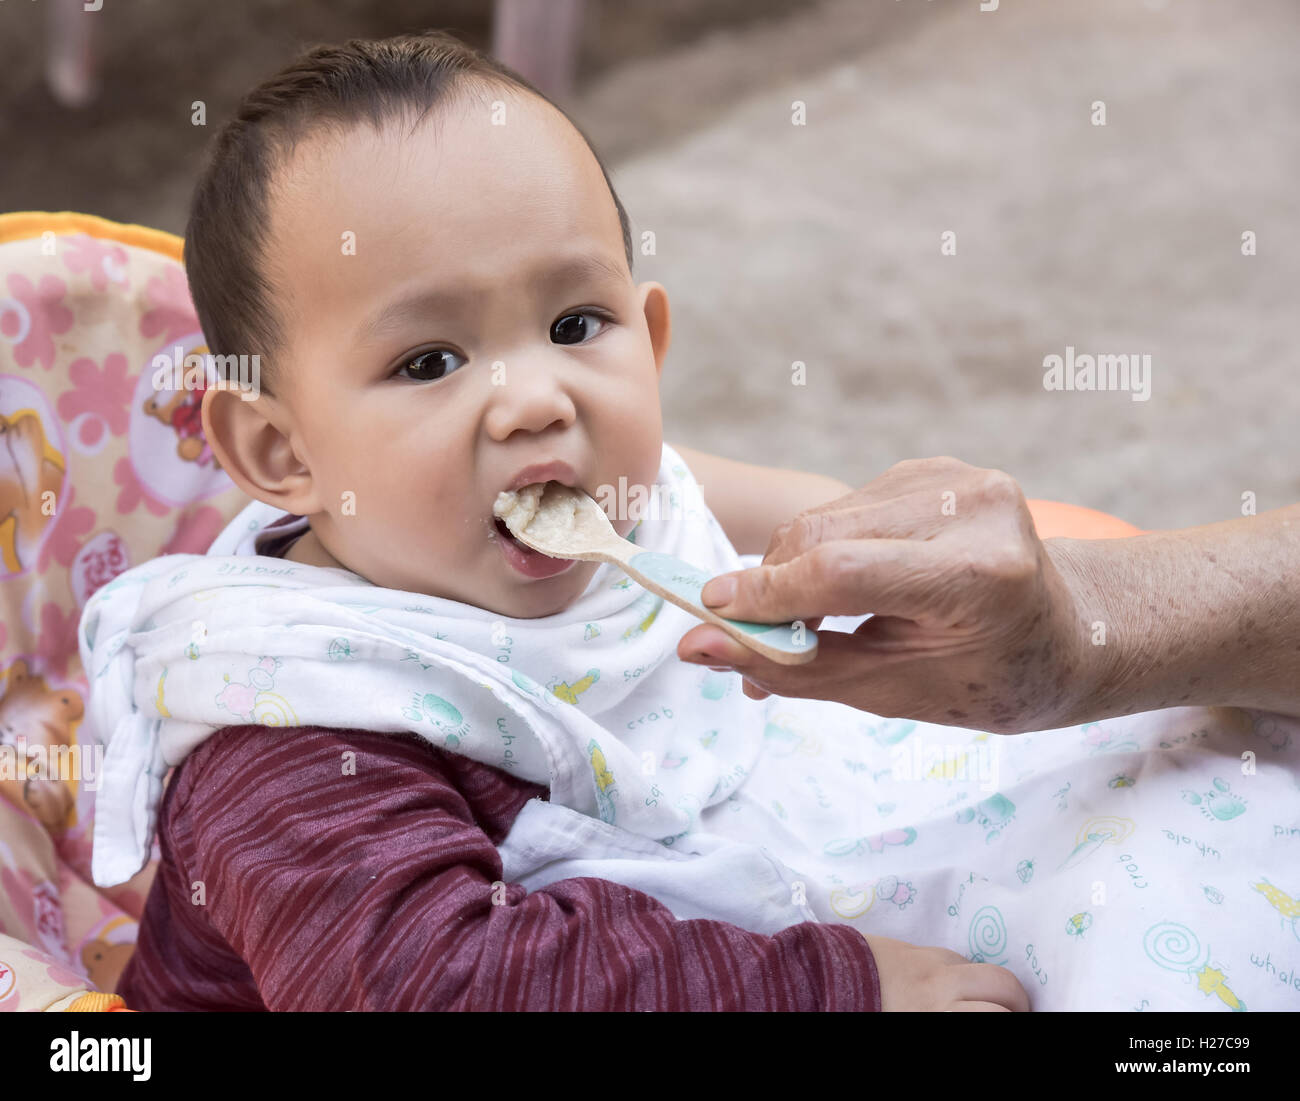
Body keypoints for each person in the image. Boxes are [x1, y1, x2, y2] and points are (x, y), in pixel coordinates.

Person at [87, 30, 1029, 1013]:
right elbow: (446, 987)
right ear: (284, 454)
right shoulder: (294, 727)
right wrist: (837, 985)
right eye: (429, 362)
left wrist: (929, 563)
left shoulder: (631, 509)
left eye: (575, 325)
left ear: (649, 338)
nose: (536, 398)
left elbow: (798, 521)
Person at [681, 458, 1300, 729]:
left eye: (580, 327)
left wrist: (1088, 619)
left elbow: (808, 512)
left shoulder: (659, 485)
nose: (575, 401)